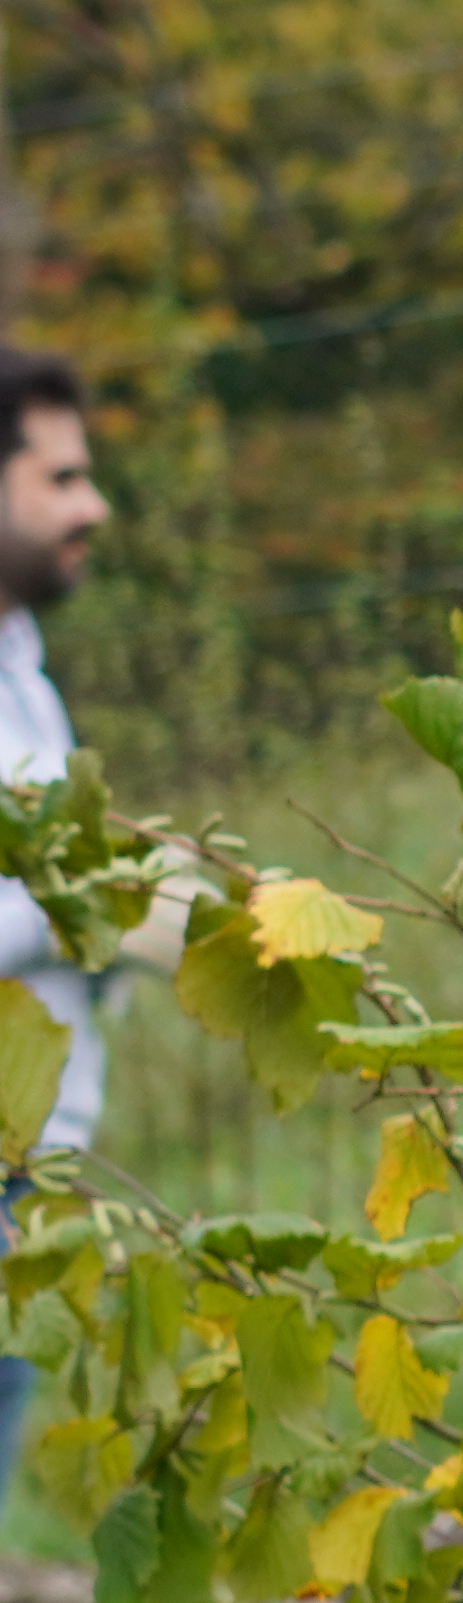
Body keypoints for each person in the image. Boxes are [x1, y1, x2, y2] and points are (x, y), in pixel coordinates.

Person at [0, 353, 113, 1500]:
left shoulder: (22, 672)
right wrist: (93, 904)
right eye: (62, 476)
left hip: (25, 1159)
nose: (94, 506)